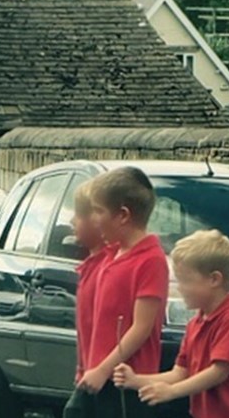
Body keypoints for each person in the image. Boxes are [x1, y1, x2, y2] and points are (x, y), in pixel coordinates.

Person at [114, 230, 229, 418]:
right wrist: (136, 380)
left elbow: (218, 372)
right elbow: (181, 372)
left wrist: (172, 392)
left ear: (214, 279)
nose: (179, 287)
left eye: (185, 280)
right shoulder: (195, 323)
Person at [73, 167, 169, 418]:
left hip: (124, 384)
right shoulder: (110, 254)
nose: (94, 219)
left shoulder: (150, 260)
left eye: (99, 211)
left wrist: (104, 369)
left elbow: (141, 327)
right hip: (95, 378)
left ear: (123, 215)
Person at [64, 179, 115, 418]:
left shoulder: (109, 265)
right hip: (88, 371)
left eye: (79, 215)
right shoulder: (90, 266)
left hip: (105, 375)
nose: (72, 221)